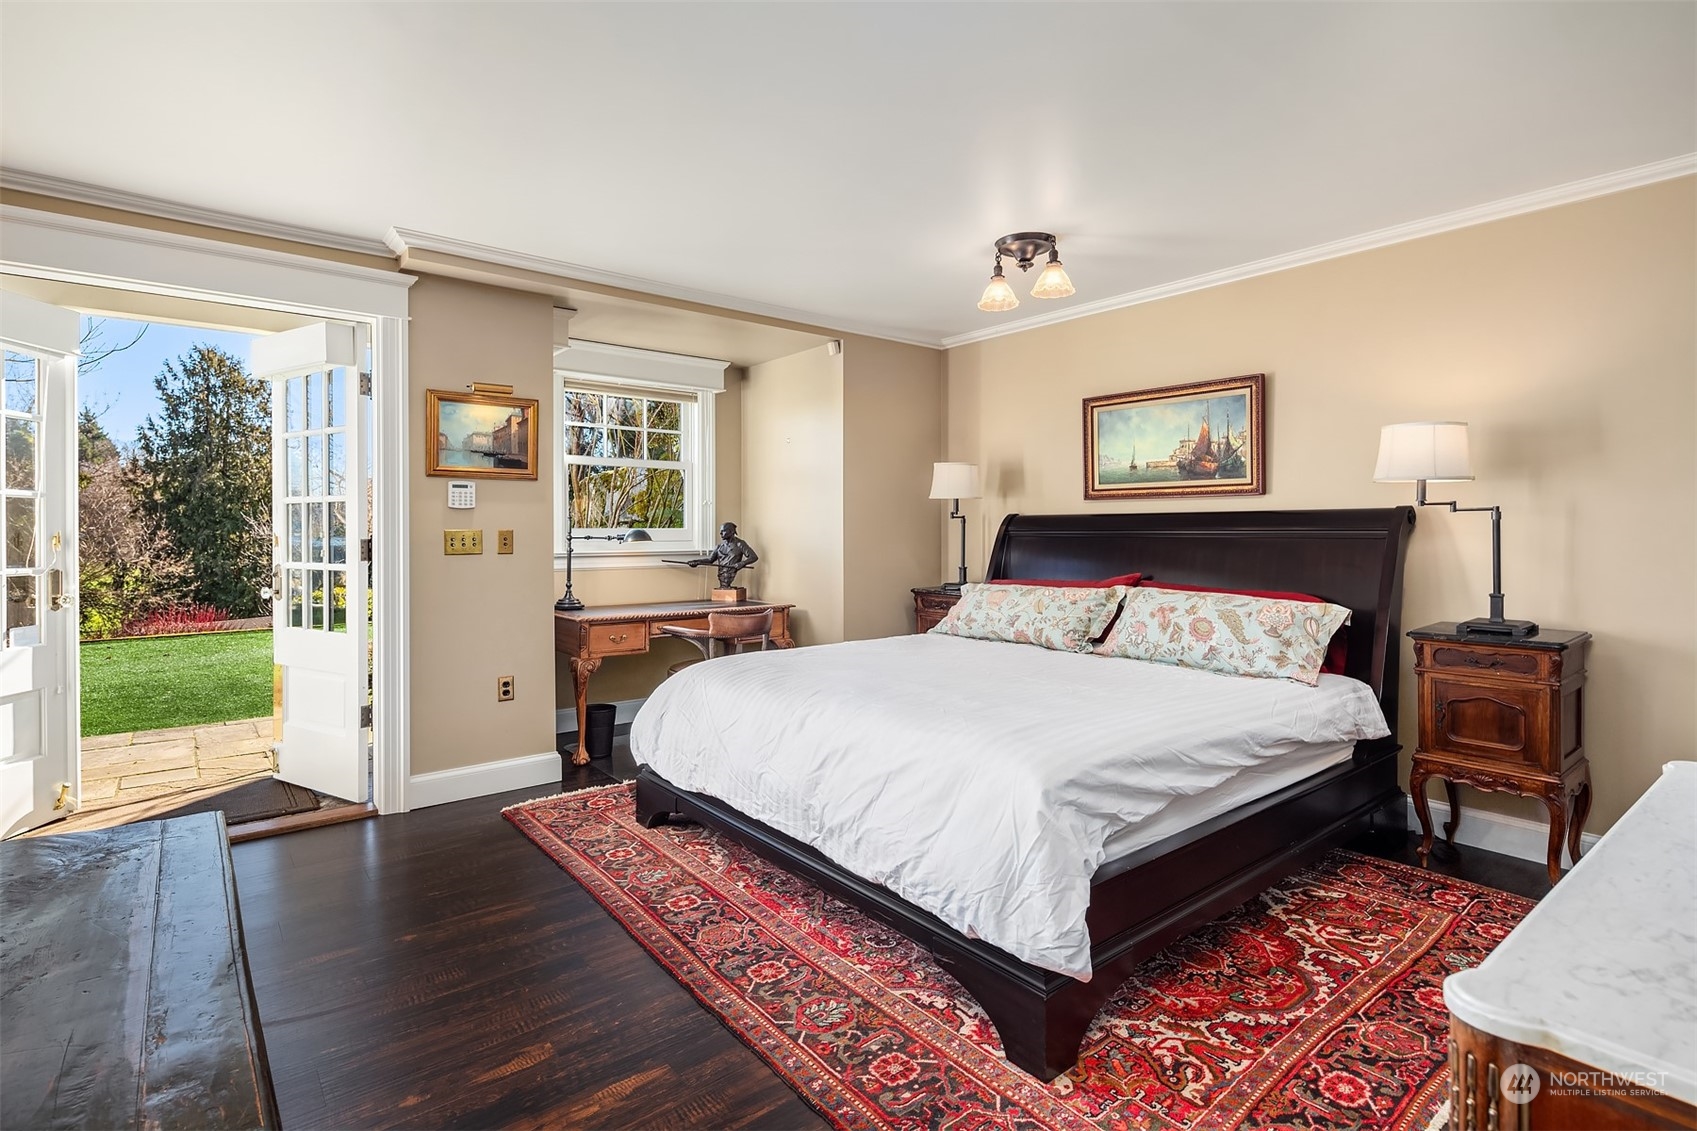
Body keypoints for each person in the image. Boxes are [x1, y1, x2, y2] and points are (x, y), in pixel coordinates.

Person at [687, 522, 760, 589]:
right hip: (721, 575)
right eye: (721, 531)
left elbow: (753, 557)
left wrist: (742, 563)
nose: (720, 533)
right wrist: (696, 562)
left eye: (723, 531)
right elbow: (710, 560)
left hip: (730, 573)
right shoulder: (719, 547)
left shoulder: (740, 544)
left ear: (731, 532)